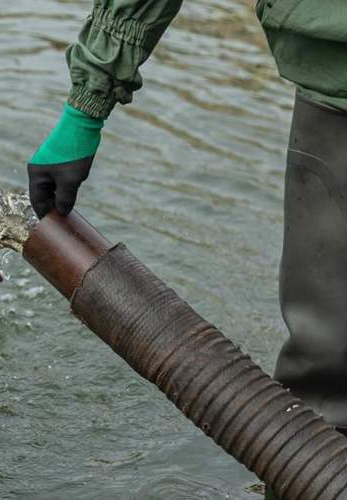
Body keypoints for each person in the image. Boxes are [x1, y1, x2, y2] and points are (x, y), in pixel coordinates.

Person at [27, 1, 347, 498]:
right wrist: (86, 107)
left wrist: (86, 106)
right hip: (336, 91)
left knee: (327, 408)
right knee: (324, 420)